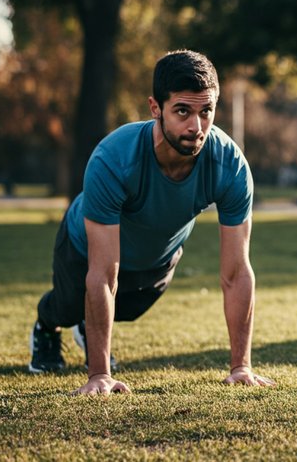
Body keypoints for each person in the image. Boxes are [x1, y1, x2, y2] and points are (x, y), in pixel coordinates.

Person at [28, 50, 275, 394]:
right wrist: (99, 375)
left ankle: (90, 326)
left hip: (157, 257)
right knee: (68, 306)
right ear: (155, 108)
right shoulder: (113, 158)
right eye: (182, 111)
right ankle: (46, 326)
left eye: (207, 111)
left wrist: (241, 366)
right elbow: (102, 274)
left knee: (126, 311)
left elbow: (236, 273)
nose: (197, 126)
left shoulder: (229, 164)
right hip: (84, 247)